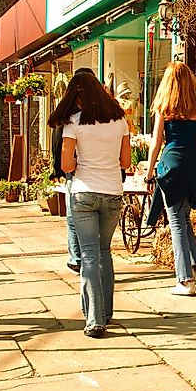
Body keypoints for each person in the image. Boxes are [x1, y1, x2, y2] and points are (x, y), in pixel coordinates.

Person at [48, 72, 131, 338]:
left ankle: (95, 319)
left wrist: (79, 157)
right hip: (113, 194)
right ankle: (106, 311)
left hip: (84, 193)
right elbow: (126, 162)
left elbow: (66, 166)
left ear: (78, 96)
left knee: (89, 257)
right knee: (105, 252)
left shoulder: (73, 123)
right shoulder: (120, 121)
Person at [144, 62, 196, 296]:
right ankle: (192, 265)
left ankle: (184, 280)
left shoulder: (164, 106)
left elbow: (156, 142)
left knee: (175, 222)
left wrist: (149, 169)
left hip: (171, 164)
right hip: (194, 165)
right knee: (184, 218)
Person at [48, 67, 97, 276]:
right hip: (97, 170)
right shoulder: (103, 110)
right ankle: (85, 257)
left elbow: (57, 141)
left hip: (76, 168)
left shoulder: (68, 112)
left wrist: (57, 166)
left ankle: (77, 258)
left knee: (74, 214)